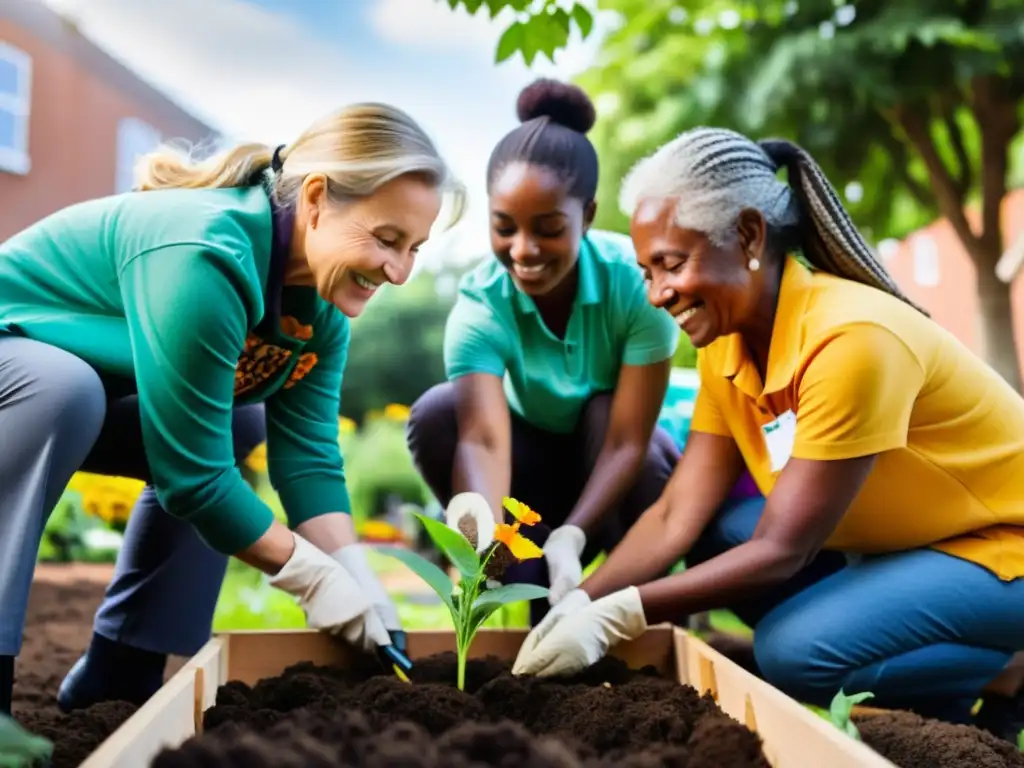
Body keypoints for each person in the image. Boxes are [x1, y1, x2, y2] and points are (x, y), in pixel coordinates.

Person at [510, 126, 1024, 741]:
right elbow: (678, 511)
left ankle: (1005, 669)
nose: (657, 294)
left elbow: (785, 549)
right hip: (911, 544)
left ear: (749, 235)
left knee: (793, 654)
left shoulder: (851, 340)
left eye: (671, 264)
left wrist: (621, 615)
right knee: (720, 535)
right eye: (647, 272)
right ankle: (931, 680)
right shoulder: (726, 341)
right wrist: (581, 601)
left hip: (999, 545)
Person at [0, 102, 462, 716]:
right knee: (65, 390)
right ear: (318, 199)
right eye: (386, 240)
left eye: (414, 248)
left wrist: (356, 574)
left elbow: (310, 461)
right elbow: (194, 477)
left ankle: (120, 669)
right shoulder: (206, 254)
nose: (400, 272)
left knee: (239, 414)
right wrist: (309, 576)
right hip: (24, 372)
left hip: (88, 387)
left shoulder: (319, 306)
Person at [406, 79, 681, 626]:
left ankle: (649, 607)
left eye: (550, 229)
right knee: (439, 412)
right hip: (522, 474)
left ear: (588, 214)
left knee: (611, 417)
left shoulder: (637, 285)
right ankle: (530, 598)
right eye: (504, 227)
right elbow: (483, 442)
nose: (524, 250)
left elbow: (627, 440)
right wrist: (480, 544)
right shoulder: (480, 308)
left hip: (615, 471)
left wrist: (572, 536)